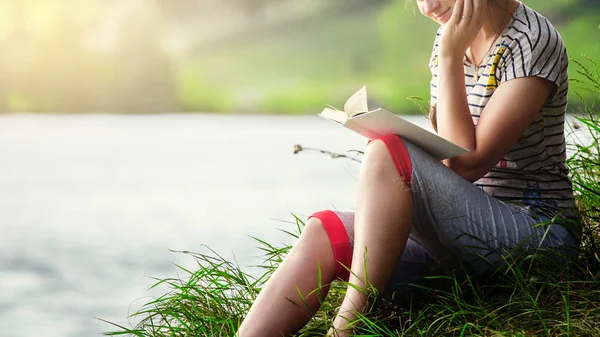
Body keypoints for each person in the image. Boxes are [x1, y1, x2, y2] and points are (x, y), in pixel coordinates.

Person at [237, 0, 580, 336]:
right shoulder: (450, 38)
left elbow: (466, 164)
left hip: (536, 238)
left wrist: (448, 59)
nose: (429, 7)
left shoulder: (533, 40)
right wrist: (449, 54)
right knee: (324, 231)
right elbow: (448, 156)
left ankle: (347, 327)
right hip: (461, 238)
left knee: (389, 151)